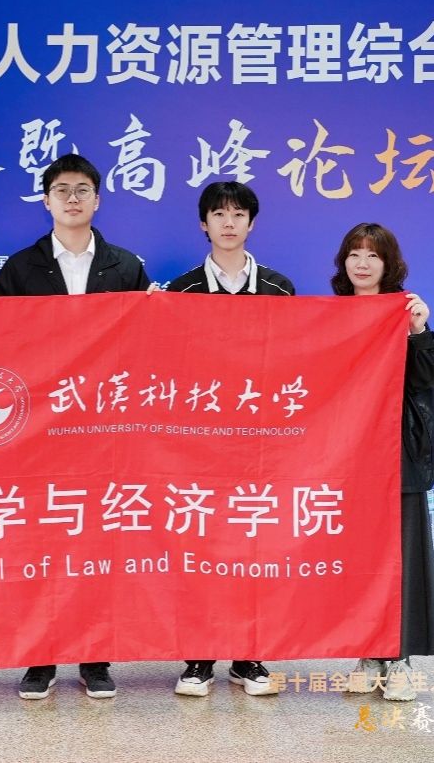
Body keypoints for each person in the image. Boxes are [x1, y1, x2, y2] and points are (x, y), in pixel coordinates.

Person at [0, 153, 150, 699]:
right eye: (62, 190)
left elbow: (147, 347)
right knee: (41, 542)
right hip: (38, 432)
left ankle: (95, 657)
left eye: (82, 189)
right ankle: (40, 657)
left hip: (105, 430)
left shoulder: (125, 267)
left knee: (100, 542)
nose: (72, 198)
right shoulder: (21, 268)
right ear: (46, 200)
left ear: (98, 199)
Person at [167, 181, 291, 696]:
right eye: (218, 214)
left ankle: (248, 655)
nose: (228, 223)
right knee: (201, 550)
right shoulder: (181, 291)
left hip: (261, 447)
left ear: (251, 223)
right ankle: (199, 658)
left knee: (255, 548)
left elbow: (297, 361)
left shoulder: (280, 289)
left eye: (238, 214)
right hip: (198, 446)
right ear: (204, 223)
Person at [330, 222, 434, 702]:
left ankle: (398, 658)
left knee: (403, 556)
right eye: (354, 254)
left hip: (398, 455)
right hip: (344, 457)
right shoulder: (327, 317)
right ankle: (367, 650)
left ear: (389, 264)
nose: (362, 263)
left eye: (373, 255)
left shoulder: (404, 313)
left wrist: (419, 331)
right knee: (359, 560)